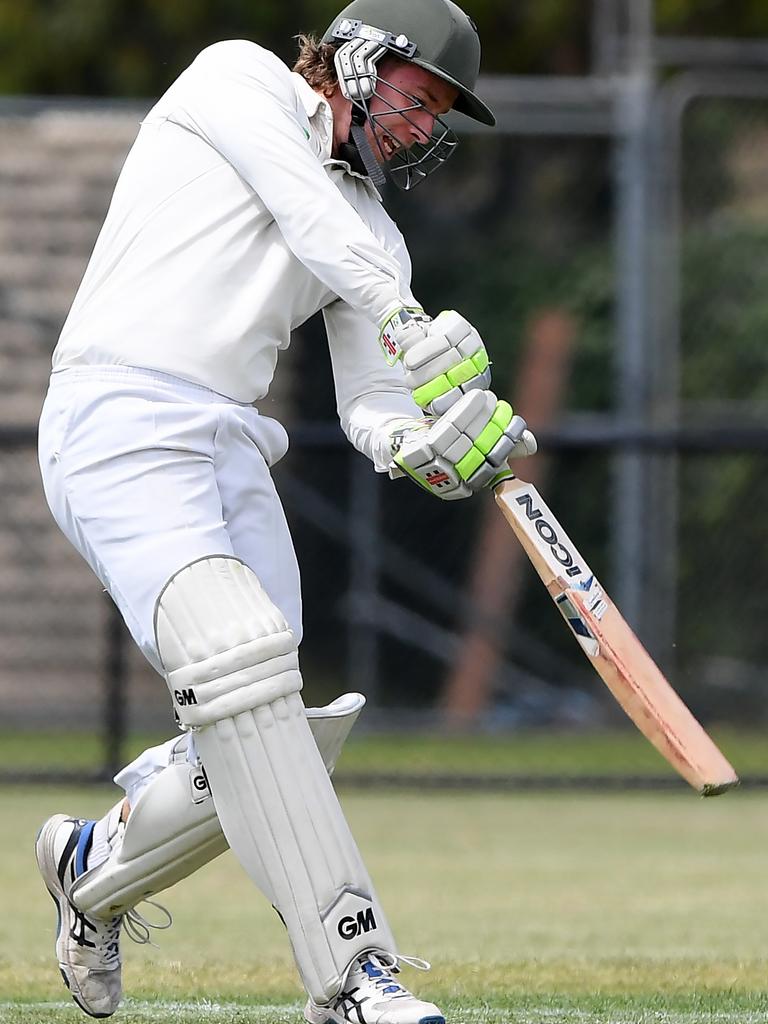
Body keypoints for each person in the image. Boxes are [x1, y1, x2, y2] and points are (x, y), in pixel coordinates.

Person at [34, 0, 537, 1021]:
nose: (423, 126)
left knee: (265, 738)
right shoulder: (238, 81)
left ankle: (89, 871)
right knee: (244, 662)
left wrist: (428, 447)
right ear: (356, 57)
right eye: (419, 95)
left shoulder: (374, 230)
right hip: (118, 414)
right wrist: (406, 318)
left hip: (228, 441)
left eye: (439, 113)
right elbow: (301, 208)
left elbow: (372, 405)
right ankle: (355, 977)